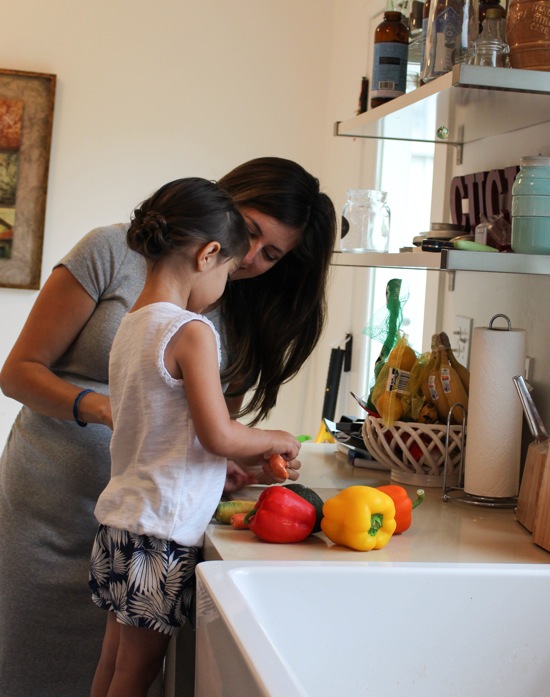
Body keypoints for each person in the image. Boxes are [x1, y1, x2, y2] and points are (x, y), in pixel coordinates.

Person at [0, 156, 336, 697]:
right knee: (38, 671)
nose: (249, 258)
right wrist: (113, 410)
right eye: (248, 234)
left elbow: (210, 431)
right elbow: (18, 373)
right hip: (53, 507)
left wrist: (227, 465)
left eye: (271, 254)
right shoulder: (111, 253)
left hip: (141, 519)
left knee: (113, 671)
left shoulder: (233, 312)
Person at [87, 177, 300, 697]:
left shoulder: (132, 325)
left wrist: (216, 465)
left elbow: (164, 429)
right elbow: (219, 433)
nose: (230, 279)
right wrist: (276, 437)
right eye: (229, 267)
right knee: (137, 675)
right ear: (208, 255)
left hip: (119, 524)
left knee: (112, 664)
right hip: (159, 535)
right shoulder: (192, 330)